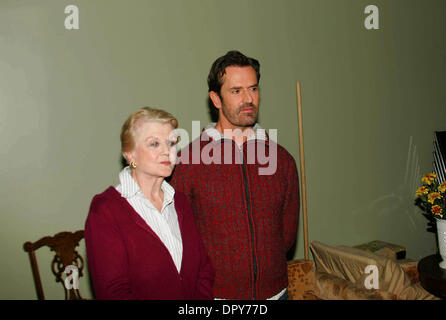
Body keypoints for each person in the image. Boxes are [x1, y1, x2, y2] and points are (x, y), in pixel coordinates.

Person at [170, 50, 300, 300]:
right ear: (216, 99)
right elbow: (178, 238)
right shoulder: (187, 163)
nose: (248, 99)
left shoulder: (282, 161)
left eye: (253, 88)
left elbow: (286, 236)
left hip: (276, 294)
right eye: (236, 91)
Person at [85, 107, 214, 300]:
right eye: (154, 144)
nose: (166, 151)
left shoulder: (180, 201)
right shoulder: (105, 210)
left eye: (171, 143)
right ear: (130, 155)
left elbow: (203, 270)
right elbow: (113, 293)